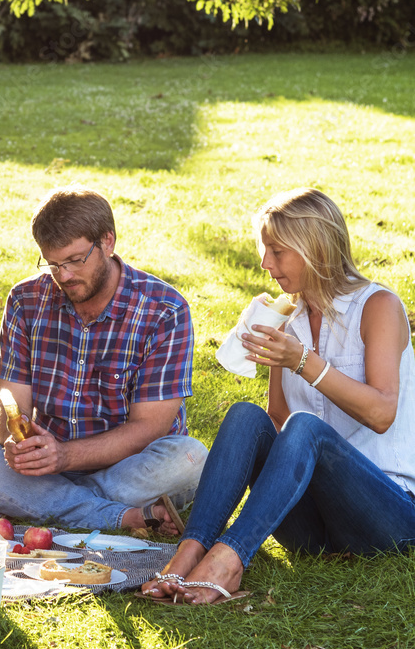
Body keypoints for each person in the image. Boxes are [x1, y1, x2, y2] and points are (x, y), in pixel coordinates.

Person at [141, 188, 415, 605]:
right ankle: (190, 550)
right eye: (264, 250)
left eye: (277, 251)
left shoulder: (377, 306)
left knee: (307, 428)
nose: (265, 263)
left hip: (386, 515)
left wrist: (302, 360)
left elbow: (381, 412)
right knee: (245, 416)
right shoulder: (289, 321)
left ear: (315, 249)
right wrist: (262, 348)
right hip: (314, 530)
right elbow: (274, 422)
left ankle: (228, 561)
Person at [0, 186, 207, 533]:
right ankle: (122, 516)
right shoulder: (26, 300)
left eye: (74, 260)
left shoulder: (164, 310)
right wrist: (16, 443)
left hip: (130, 465)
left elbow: (149, 428)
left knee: (190, 459)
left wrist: (64, 456)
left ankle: (33, 504)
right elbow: (9, 404)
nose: (63, 275)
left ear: (107, 242)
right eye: (53, 264)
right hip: (47, 466)